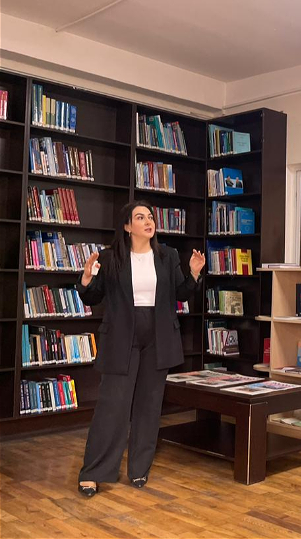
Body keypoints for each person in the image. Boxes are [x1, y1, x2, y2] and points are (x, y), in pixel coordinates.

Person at [75, 201, 204, 497]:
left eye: (150, 217)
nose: (148, 221)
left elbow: (181, 292)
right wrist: (86, 279)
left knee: (149, 407)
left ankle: (139, 469)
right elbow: (93, 297)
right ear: (127, 226)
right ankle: (93, 473)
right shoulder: (111, 257)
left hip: (158, 337)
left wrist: (194, 274)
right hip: (121, 337)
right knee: (112, 407)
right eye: (140, 217)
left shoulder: (168, 255)